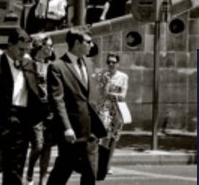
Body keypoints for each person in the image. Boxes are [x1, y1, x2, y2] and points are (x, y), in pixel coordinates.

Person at [0, 28, 47, 185]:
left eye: (26, 50)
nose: (23, 53)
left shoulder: (29, 64)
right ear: (10, 45)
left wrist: (38, 117)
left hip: (21, 123)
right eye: (20, 49)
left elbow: (35, 93)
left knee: (15, 171)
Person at [47, 28, 107, 185]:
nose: (91, 45)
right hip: (72, 131)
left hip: (91, 129)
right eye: (88, 42)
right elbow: (57, 100)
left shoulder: (88, 63)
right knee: (63, 169)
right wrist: (66, 127)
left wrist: (100, 116)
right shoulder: (57, 66)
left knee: (90, 173)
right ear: (77, 43)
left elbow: (91, 95)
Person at [26, 36, 58, 185]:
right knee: (38, 145)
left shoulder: (52, 65)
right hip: (35, 111)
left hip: (50, 111)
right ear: (40, 47)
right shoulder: (30, 65)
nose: (52, 48)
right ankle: (31, 169)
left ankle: (43, 179)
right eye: (49, 46)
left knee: (47, 146)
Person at [95, 53, 131, 179]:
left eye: (113, 62)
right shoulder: (102, 75)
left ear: (118, 63)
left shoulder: (123, 77)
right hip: (104, 109)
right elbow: (102, 94)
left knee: (113, 139)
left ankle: (108, 165)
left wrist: (112, 93)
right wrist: (108, 83)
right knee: (103, 137)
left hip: (117, 110)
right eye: (109, 62)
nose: (111, 64)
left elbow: (123, 95)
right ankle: (100, 165)